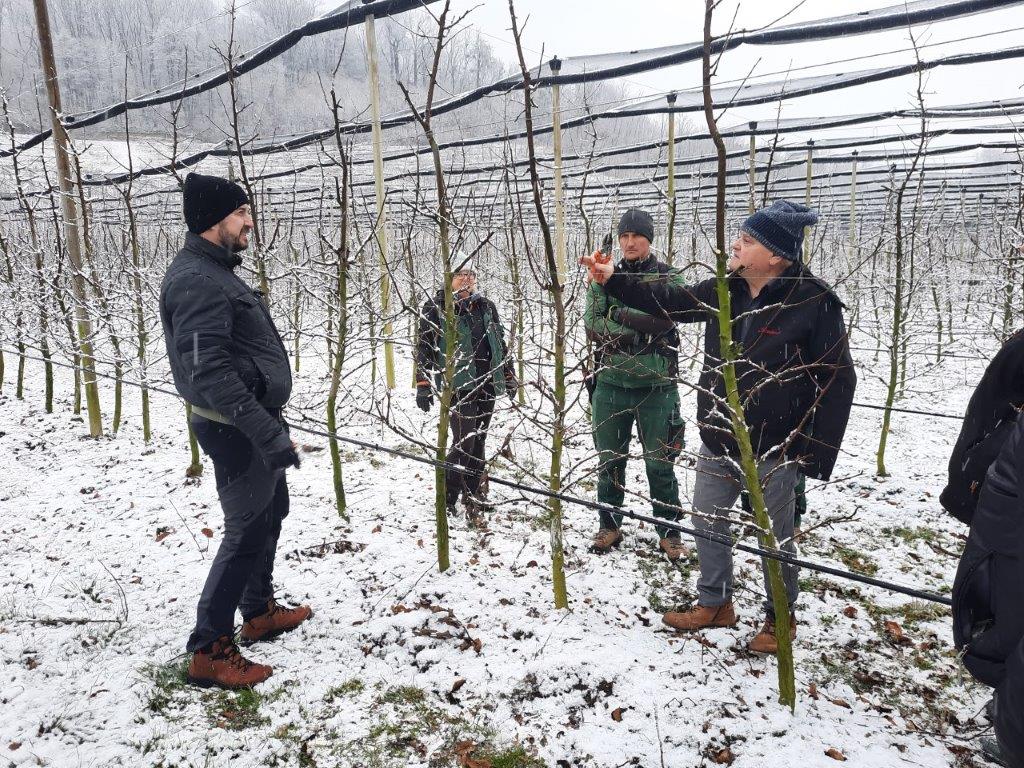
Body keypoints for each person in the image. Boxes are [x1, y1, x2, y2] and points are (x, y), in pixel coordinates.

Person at [581, 200, 856, 654]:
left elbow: (838, 379)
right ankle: (715, 603)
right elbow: (669, 300)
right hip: (717, 436)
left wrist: (810, 451)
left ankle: (779, 619)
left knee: (775, 537)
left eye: (747, 241)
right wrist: (613, 279)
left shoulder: (814, 303)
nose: (735, 244)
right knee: (707, 522)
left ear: (775, 255)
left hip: (773, 446)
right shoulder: (724, 290)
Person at [160, 172, 312, 689]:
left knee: (272, 510)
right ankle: (210, 648)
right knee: (245, 528)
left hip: (254, 421)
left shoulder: (215, 272)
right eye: (241, 212)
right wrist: (266, 435)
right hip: (236, 428)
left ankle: (258, 609)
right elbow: (209, 373)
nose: (250, 221)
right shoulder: (196, 280)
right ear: (212, 219)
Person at [583, 209, 688, 561]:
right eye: (624, 235)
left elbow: (670, 318)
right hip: (611, 384)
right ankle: (609, 524)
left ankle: (670, 531)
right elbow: (594, 326)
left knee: (660, 463)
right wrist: (641, 328)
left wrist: (620, 315)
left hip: (657, 386)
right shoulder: (601, 274)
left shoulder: (669, 278)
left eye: (637, 236)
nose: (629, 242)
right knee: (609, 459)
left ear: (649, 239)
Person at [415, 260, 518, 522]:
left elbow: (499, 342)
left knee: (480, 440)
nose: (466, 279)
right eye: (460, 274)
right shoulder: (437, 307)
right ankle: (448, 496)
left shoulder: (486, 306)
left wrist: (508, 374)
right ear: (449, 278)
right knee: (464, 443)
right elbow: (425, 347)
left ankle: (473, 494)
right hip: (458, 386)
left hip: (487, 382)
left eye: (470, 274)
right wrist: (423, 383)